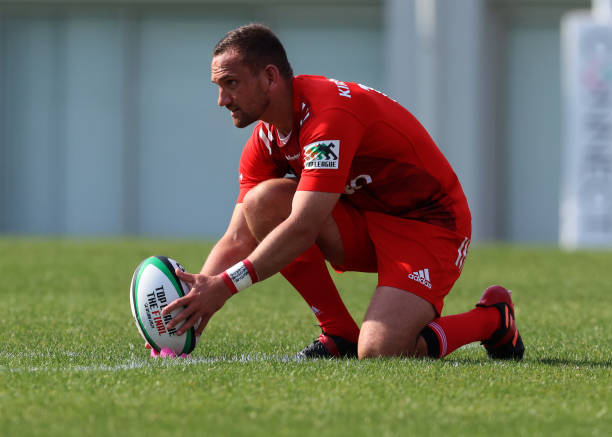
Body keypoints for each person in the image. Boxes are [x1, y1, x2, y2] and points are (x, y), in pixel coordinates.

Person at [159, 23, 524, 360]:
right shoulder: (267, 137)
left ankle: (492, 320)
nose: (222, 99)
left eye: (231, 83)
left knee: (382, 350)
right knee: (263, 203)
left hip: (429, 224)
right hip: (366, 219)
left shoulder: (327, 116)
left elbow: (304, 225)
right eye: (219, 87)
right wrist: (195, 300)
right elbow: (238, 236)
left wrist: (225, 287)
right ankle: (339, 333)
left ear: (270, 77)